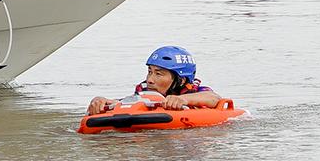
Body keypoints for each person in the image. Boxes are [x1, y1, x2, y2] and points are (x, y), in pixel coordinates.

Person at [87, 45, 223, 115]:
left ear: (181, 80)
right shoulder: (144, 91)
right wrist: (101, 101)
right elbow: (125, 103)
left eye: (159, 74)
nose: (150, 80)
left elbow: (214, 98)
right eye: (149, 72)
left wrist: (183, 100)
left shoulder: (195, 91)